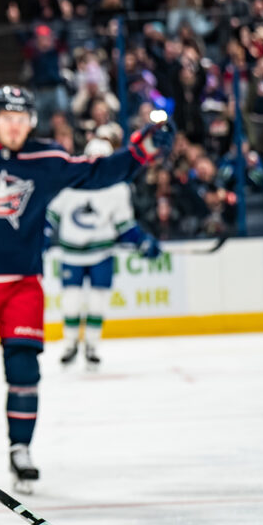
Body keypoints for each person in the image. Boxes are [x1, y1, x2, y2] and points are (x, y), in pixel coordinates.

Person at [0, 85, 171, 495]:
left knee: (24, 371)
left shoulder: (45, 159)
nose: (14, 126)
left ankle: (21, 450)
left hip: (23, 284)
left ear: (31, 123)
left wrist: (140, 152)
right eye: (7, 117)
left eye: (22, 119)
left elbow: (97, 173)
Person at [47, 136, 161, 367]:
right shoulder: (69, 183)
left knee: (98, 301)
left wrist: (142, 241)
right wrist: (41, 235)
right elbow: (50, 216)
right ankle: (70, 344)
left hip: (102, 253)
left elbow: (125, 226)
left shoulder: (118, 189)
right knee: (71, 301)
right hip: (72, 254)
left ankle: (91, 346)